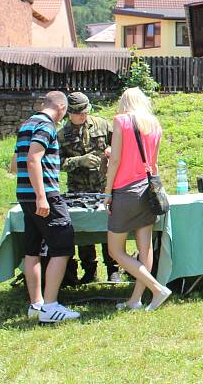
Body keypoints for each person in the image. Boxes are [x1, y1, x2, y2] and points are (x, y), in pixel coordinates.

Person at [9, 91, 81, 323]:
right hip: (45, 197)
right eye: (66, 109)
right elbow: (33, 159)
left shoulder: (26, 124)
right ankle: (50, 307)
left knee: (33, 250)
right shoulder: (46, 126)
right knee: (63, 247)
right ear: (60, 107)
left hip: (24, 196)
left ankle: (36, 303)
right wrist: (42, 196)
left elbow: (14, 164)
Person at [104, 87, 171, 311]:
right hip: (148, 188)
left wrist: (107, 191)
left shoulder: (121, 120)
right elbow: (154, 164)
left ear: (124, 102)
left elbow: (114, 161)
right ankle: (135, 300)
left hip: (125, 190)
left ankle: (156, 288)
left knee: (115, 250)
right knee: (145, 248)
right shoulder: (154, 124)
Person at [58, 92, 120, 283]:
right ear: (70, 113)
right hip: (79, 190)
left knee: (108, 229)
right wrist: (79, 161)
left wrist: (111, 151)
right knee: (84, 232)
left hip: (103, 186)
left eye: (85, 112)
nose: (82, 116)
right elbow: (56, 163)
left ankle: (113, 269)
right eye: (78, 113)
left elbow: (119, 143)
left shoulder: (101, 124)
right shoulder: (62, 134)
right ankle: (89, 270)